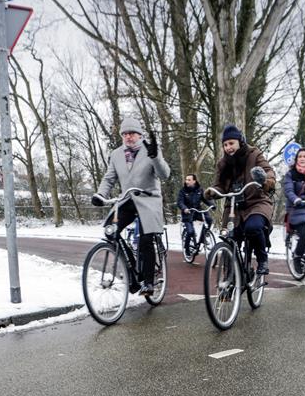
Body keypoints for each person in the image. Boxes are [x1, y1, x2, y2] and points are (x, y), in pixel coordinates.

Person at [92, 117, 170, 295]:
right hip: (127, 200)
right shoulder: (116, 154)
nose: (128, 137)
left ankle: (149, 282)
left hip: (148, 200)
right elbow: (109, 178)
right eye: (125, 134)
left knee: (145, 239)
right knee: (110, 230)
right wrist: (100, 195)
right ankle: (132, 271)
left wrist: (155, 156)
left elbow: (164, 174)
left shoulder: (150, 150)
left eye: (132, 133)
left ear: (139, 135)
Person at [205, 124, 276, 275]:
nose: (228, 147)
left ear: (240, 141)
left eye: (231, 143)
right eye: (225, 145)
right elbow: (220, 186)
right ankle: (229, 281)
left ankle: (262, 260)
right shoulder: (222, 164)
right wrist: (212, 192)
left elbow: (269, 171)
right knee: (229, 239)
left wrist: (264, 180)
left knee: (253, 227)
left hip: (256, 202)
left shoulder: (254, 154)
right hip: (233, 208)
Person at [176, 174, 215, 254]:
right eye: (186, 179)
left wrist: (212, 205)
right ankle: (187, 249)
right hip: (188, 213)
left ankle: (202, 238)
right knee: (190, 232)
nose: (186, 181)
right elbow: (180, 202)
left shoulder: (200, 190)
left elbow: (206, 199)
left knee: (209, 220)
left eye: (189, 180)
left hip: (197, 211)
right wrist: (184, 208)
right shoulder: (183, 191)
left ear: (194, 181)